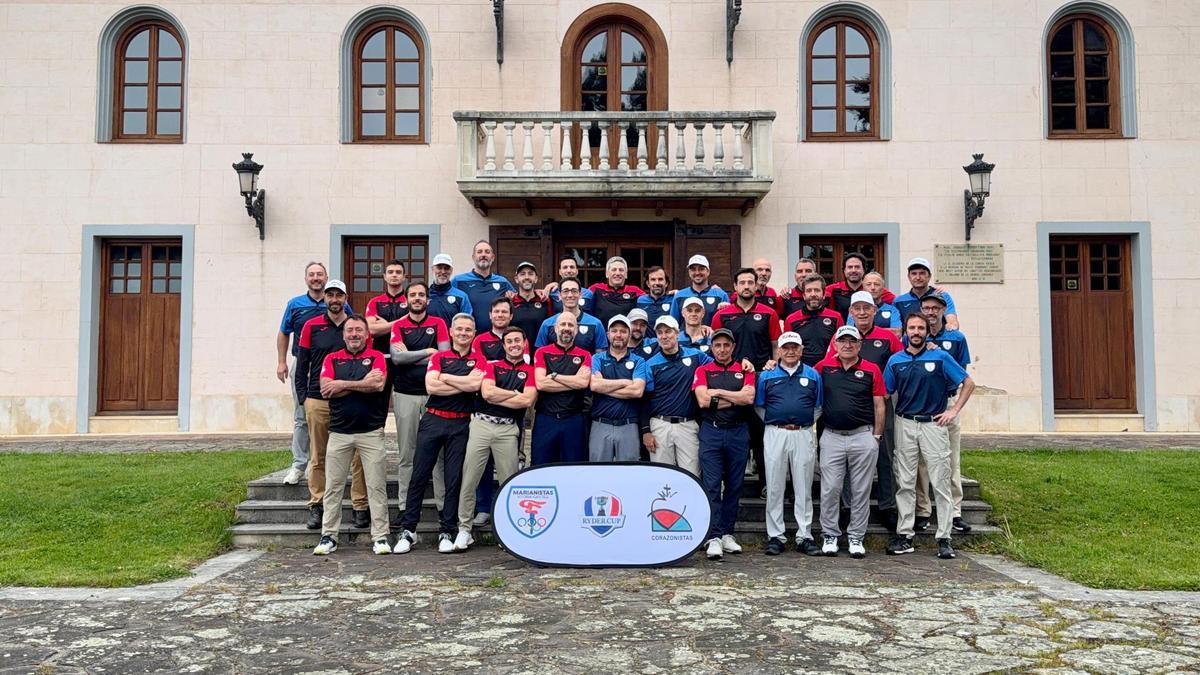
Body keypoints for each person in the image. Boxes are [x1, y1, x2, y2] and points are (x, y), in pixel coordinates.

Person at [884, 313, 975, 559]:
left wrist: (953, 411)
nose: (916, 332)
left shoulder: (941, 357)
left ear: (927, 331)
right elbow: (884, 392)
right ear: (905, 331)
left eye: (920, 328)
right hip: (905, 423)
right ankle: (905, 535)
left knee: (940, 481)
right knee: (905, 481)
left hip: (934, 424)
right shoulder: (895, 360)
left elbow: (968, 383)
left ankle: (944, 537)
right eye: (912, 328)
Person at [393, 313, 483, 555]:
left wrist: (446, 377)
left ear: (474, 334)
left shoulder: (479, 359)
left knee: (453, 478)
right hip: (433, 420)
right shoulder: (439, 356)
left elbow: (475, 386)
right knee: (419, 475)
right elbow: (431, 386)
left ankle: (447, 530)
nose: (463, 333)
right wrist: (461, 382)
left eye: (468, 330)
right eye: (459, 329)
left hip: (460, 424)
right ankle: (408, 530)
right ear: (451, 332)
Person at [312, 316, 392, 556]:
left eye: (359, 330)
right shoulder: (332, 358)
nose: (354, 334)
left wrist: (341, 384)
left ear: (367, 334)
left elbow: (378, 386)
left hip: (371, 432)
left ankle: (380, 536)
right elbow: (326, 389)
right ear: (344, 334)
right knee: (333, 486)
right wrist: (360, 383)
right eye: (350, 330)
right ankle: (329, 536)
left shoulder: (377, 357)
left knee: (376, 486)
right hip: (339, 433)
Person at [295, 280, 369, 530]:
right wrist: (304, 397)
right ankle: (317, 505)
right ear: (325, 298)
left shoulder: (355, 327)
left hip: (351, 400)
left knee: (358, 455)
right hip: (318, 399)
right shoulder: (311, 326)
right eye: (330, 295)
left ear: (346, 298)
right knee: (319, 454)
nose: (334, 299)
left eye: (339, 295)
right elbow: (302, 364)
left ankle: (359, 505)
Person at [455, 326, 537, 551]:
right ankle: (464, 529)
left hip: (507, 430)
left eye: (517, 341)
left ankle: (507, 531)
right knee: (469, 478)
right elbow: (487, 393)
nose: (513, 345)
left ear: (524, 344)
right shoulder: (492, 366)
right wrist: (514, 394)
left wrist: (508, 397)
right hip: (481, 425)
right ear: (504, 345)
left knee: (508, 481)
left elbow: (527, 401)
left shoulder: (530, 371)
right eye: (509, 341)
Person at [831, 291, 904, 534]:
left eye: (866, 308)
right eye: (857, 308)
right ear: (851, 312)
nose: (862, 312)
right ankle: (847, 507)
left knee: (884, 454)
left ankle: (887, 506)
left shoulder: (887, 337)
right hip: (851, 405)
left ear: (875, 310)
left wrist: (888, 389)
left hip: (880, 403)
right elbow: (829, 365)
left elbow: (900, 363)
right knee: (848, 458)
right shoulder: (841, 337)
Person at [814, 325, 886, 558]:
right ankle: (830, 534)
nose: (847, 345)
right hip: (832, 436)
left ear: (859, 345)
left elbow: (879, 405)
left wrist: (876, 437)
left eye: (852, 341)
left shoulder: (871, 369)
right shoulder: (823, 367)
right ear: (835, 344)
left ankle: (856, 536)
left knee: (860, 490)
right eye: (842, 341)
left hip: (863, 435)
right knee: (830, 488)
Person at [755, 332, 822, 556]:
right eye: (786, 347)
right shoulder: (767, 375)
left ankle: (805, 535)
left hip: (803, 433)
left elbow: (818, 406)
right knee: (774, 485)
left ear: (801, 350)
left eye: (795, 347)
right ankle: (775, 535)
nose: (790, 351)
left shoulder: (813, 375)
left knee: (803, 486)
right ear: (779, 350)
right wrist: (777, 422)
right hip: (775, 433)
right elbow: (760, 406)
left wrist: (802, 422)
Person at [389, 282, 450, 527]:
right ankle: (404, 507)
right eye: (413, 295)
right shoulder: (399, 325)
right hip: (405, 395)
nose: (417, 298)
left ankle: (443, 507)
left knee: (438, 455)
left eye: (421, 295)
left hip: (435, 396)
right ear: (406, 300)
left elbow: (443, 358)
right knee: (407, 454)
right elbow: (397, 358)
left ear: (427, 299)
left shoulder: (439, 323)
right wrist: (427, 352)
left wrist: (411, 356)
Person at [693, 329, 757, 561]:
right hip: (711, 431)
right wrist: (734, 397)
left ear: (733, 347)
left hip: (738, 432)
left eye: (726, 345)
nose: (722, 349)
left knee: (734, 485)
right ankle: (714, 535)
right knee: (711, 485)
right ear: (712, 347)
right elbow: (703, 400)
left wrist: (718, 392)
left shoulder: (745, 370)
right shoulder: (703, 370)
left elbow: (748, 398)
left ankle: (727, 533)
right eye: (717, 345)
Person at [913, 294, 973, 534]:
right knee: (921, 462)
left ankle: (955, 511)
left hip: (946, 403)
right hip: (923, 404)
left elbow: (962, 374)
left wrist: (954, 407)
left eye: (935, 308)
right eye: (926, 308)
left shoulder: (956, 338)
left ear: (943, 310)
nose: (930, 312)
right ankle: (923, 510)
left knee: (951, 458)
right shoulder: (916, 336)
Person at [276, 261, 333, 485]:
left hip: (329, 367)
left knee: (329, 415)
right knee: (301, 417)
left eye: (320, 274)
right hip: (303, 366)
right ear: (306, 279)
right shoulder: (295, 304)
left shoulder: (336, 303)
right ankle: (299, 464)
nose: (316, 278)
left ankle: (323, 462)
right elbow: (284, 333)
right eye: (312, 274)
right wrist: (282, 362)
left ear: (326, 277)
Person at [640, 316, 712, 476]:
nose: (664, 336)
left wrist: (743, 362)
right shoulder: (651, 364)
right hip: (660, 425)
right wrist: (646, 431)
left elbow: (717, 367)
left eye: (668, 331)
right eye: (660, 333)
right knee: (662, 476)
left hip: (687, 425)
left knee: (692, 475)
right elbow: (645, 400)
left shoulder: (695, 356)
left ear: (677, 333)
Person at [532, 312, 593, 464]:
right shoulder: (542, 352)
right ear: (555, 328)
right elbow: (541, 383)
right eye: (563, 324)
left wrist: (554, 376)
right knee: (541, 466)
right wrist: (573, 381)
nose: (567, 328)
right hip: (546, 418)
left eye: (571, 325)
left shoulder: (585, 355)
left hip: (573, 419)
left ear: (576, 330)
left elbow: (582, 383)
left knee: (574, 467)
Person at [589, 315, 649, 462]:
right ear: (608, 334)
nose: (618, 335)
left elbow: (637, 391)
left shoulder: (639, 361)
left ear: (629, 334)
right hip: (600, 424)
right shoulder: (597, 358)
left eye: (623, 331)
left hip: (628, 425)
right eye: (614, 330)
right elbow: (595, 385)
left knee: (629, 473)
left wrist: (605, 385)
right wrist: (625, 382)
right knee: (598, 471)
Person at [712, 268, 781, 371]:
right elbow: (714, 347)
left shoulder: (770, 314)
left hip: (762, 372)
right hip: (731, 372)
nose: (746, 286)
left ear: (756, 286)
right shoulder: (721, 315)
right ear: (735, 286)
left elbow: (776, 346)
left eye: (750, 283)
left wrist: (777, 370)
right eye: (742, 283)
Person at [452, 240, 515, 333]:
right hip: (468, 336)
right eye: (479, 252)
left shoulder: (503, 282)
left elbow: (519, 299)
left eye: (487, 252)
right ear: (473, 257)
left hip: (496, 336)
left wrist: (538, 292)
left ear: (492, 257)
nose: (483, 255)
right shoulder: (459, 281)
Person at [784, 273, 844, 367]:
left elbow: (842, 346)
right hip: (801, 371)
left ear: (824, 294)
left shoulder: (836, 317)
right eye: (809, 291)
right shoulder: (791, 319)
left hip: (829, 370)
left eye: (817, 290)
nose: (813, 294)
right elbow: (786, 349)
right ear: (804, 295)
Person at [535, 278, 607, 353]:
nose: (570, 295)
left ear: (580, 295)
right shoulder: (547, 324)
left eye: (574, 291)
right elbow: (539, 354)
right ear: (559, 295)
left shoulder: (596, 324)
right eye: (565, 291)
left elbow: (600, 356)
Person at [893, 257, 960, 330]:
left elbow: (952, 323)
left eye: (922, 273)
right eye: (914, 274)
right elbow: (896, 329)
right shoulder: (898, 301)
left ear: (929, 276)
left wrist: (951, 327)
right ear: (909, 277)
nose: (918, 277)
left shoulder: (942, 296)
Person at [825, 252, 896, 316]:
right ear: (844, 270)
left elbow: (897, 302)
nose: (853, 270)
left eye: (857, 267)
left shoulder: (874, 289)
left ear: (864, 270)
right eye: (850, 267)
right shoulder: (832, 289)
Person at [670, 255, 730, 326]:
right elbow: (673, 325)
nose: (697, 273)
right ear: (689, 272)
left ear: (708, 271)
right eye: (693, 269)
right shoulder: (679, 296)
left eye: (701, 269)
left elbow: (727, 324)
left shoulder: (721, 295)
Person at [588, 256, 644, 326]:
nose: (617, 273)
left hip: (626, 332)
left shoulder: (635, 291)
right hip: (601, 332)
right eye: (614, 270)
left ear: (626, 274)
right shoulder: (596, 288)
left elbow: (649, 302)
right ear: (607, 274)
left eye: (621, 270)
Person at [510, 261, 552, 346]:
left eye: (530, 274)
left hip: (540, 351)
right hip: (516, 351)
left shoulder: (545, 301)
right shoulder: (510, 302)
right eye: (522, 274)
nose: (527, 277)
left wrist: (554, 284)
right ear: (516, 279)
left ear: (536, 279)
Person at [472, 297, 527, 361]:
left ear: (511, 316)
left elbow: (525, 362)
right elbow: (477, 364)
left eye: (504, 312)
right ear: (490, 315)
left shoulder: (520, 338)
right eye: (496, 311)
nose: (500, 315)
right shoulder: (479, 340)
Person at [427, 253, 473, 326]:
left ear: (451, 270)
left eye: (446, 268)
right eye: (439, 268)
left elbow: (467, 324)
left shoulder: (461, 297)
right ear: (432, 269)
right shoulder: (425, 295)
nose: (443, 272)